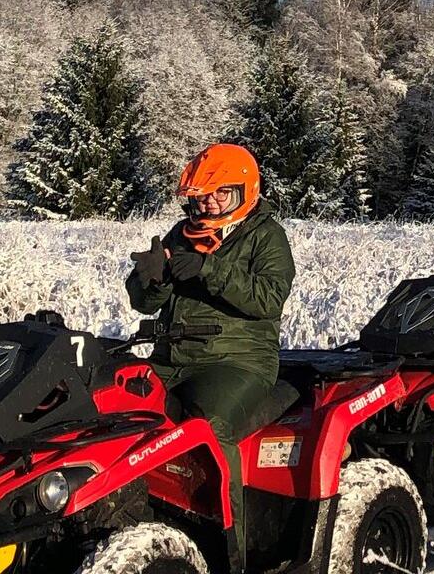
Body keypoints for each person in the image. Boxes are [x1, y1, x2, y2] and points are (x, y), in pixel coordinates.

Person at [126, 142, 295, 559]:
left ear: (245, 191)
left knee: (207, 429)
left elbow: (269, 297)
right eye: (204, 196)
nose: (211, 203)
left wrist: (210, 269)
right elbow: (142, 303)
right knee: (119, 411)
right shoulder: (182, 234)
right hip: (172, 356)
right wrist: (153, 279)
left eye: (222, 193)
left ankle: (229, 553)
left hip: (239, 361)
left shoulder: (265, 234)